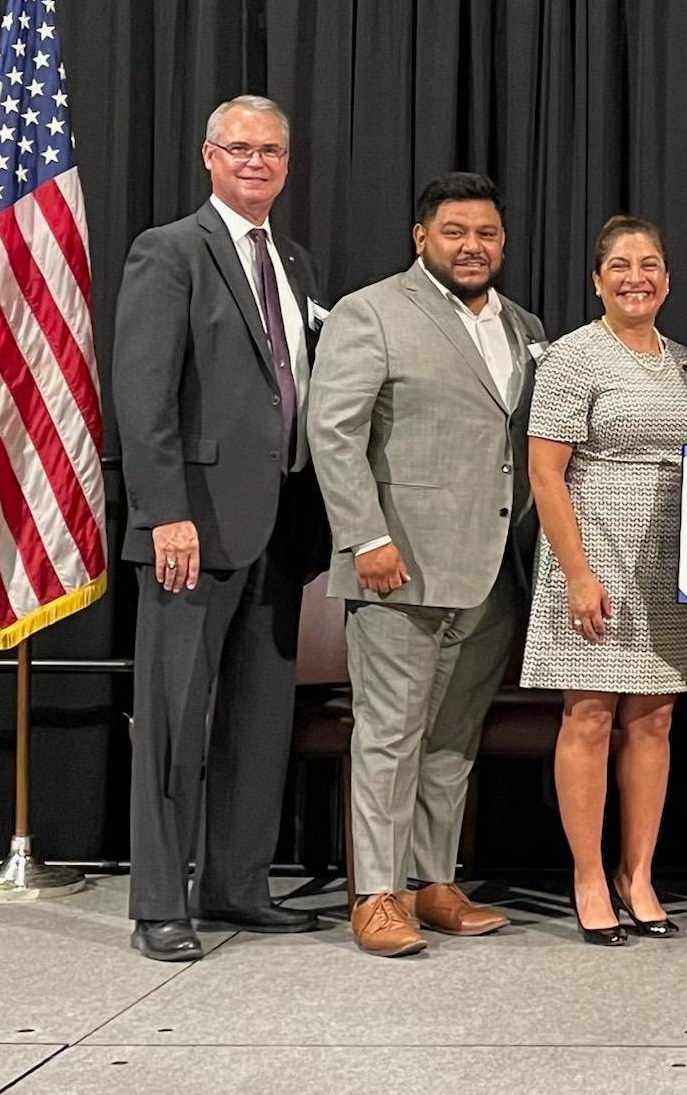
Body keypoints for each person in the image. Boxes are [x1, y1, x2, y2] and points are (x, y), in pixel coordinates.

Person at [307, 172, 546, 957]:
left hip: (492, 573)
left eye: (485, 234)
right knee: (388, 732)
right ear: (422, 238)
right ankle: (376, 893)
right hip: (398, 568)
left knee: (452, 737)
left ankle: (433, 882)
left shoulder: (523, 326)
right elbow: (334, 431)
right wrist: (364, 539)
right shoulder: (369, 311)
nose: (471, 247)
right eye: (454, 232)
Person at [114, 95, 330, 961]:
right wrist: (165, 512)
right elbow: (143, 396)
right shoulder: (169, 252)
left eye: (271, 150)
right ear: (208, 155)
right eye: (239, 148)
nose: (256, 162)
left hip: (280, 527)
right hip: (192, 530)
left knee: (255, 724)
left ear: (287, 162)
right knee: (173, 721)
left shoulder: (298, 262)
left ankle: (237, 888)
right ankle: (159, 902)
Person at [523, 216, 687, 945]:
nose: (638, 276)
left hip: (669, 561)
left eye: (651, 263)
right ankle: (590, 876)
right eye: (622, 265)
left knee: (655, 720)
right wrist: (576, 573)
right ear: (597, 279)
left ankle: (638, 875)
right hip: (593, 550)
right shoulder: (572, 357)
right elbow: (545, 470)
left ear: (667, 277)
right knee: (591, 716)